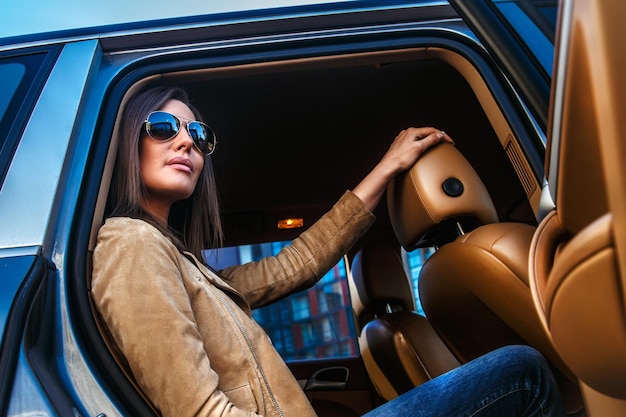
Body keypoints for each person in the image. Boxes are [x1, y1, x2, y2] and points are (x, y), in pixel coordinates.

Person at [91, 85, 566, 417]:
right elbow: (197, 411)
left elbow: (293, 265)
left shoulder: (181, 262)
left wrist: (385, 170)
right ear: (128, 138)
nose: (185, 142)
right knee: (522, 371)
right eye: (162, 127)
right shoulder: (131, 244)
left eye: (198, 136)